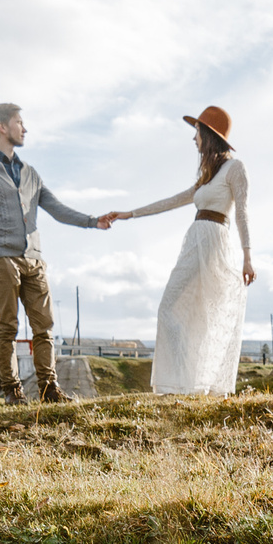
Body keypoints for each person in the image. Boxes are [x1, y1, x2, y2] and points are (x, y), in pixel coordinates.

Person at [102, 106, 255, 396]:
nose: (194, 139)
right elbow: (171, 201)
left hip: (214, 243)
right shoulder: (208, 175)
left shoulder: (235, 168)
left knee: (192, 312)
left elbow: (242, 214)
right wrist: (129, 214)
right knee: (174, 311)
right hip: (194, 241)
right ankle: (184, 383)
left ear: (209, 135)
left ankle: (192, 385)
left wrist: (248, 257)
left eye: (196, 132)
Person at [0, 103, 110, 405]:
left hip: (34, 258)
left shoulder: (30, 173)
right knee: (8, 326)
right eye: (20, 122)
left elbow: (56, 208)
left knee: (45, 327)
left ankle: (48, 388)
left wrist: (92, 221)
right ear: (3, 127)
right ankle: (12, 391)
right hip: (1, 257)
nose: (25, 128)